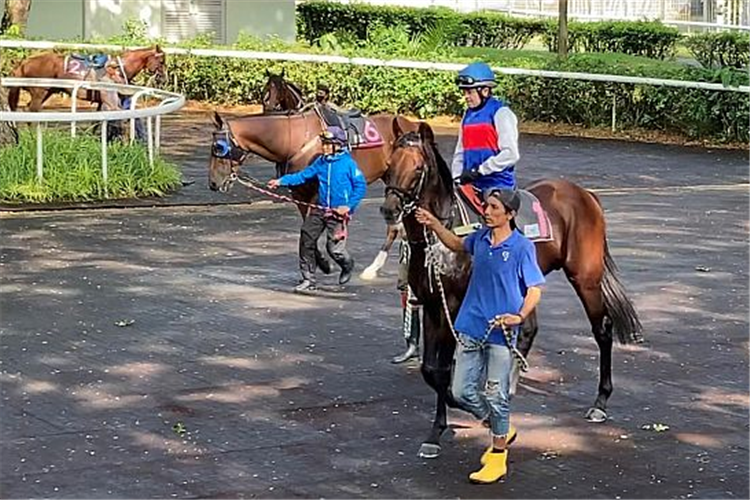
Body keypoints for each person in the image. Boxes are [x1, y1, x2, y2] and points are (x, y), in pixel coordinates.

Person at [415, 188, 545, 484]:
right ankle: (501, 428)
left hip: (501, 332)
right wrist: (434, 224)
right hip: (471, 327)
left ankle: (498, 457)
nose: (486, 211)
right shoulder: (481, 239)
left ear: (509, 214)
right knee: (460, 392)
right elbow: (457, 244)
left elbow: (535, 289)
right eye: (486, 206)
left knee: (497, 396)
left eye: (494, 208)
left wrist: (519, 316)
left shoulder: (522, 247)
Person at [268, 126, 366, 292]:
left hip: (338, 213)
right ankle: (308, 279)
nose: (324, 147)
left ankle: (347, 265)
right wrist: (281, 181)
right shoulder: (321, 162)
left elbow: (360, 186)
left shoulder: (348, 164)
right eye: (324, 143)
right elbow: (303, 175)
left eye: (328, 144)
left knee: (334, 249)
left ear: (338, 145)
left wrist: (348, 207)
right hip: (319, 208)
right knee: (306, 238)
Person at [451, 62, 520, 198]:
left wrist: (480, 170)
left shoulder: (501, 113)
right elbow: (460, 152)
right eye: (464, 92)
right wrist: (457, 176)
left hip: (498, 186)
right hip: (471, 185)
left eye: (470, 92)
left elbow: (511, 154)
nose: (466, 96)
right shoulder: (467, 115)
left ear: (485, 91)